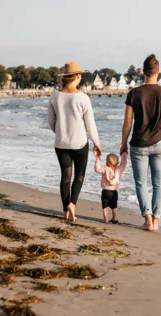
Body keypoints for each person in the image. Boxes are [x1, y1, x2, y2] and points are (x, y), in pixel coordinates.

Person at [120, 54, 161, 231]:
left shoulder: (134, 94)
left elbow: (127, 122)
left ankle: (147, 219)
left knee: (141, 182)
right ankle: (157, 220)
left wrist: (123, 143)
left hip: (138, 144)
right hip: (160, 143)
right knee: (159, 183)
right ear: (158, 72)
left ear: (143, 71)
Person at [48, 61, 102, 222]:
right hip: (80, 143)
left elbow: (51, 121)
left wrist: (60, 132)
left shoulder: (54, 96)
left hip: (61, 143)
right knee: (79, 174)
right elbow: (90, 124)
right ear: (77, 76)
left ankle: (65, 210)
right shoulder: (83, 98)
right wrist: (96, 143)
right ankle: (73, 204)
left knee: (65, 176)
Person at [94, 152, 128, 223]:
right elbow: (124, 164)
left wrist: (97, 159)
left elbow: (97, 169)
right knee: (114, 207)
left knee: (105, 207)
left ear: (107, 162)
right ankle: (114, 219)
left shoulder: (105, 169)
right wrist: (124, 154)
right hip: (114, 192)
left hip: (105, 192)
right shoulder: (119, 169)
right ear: (117, 162)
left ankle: (105, 220)